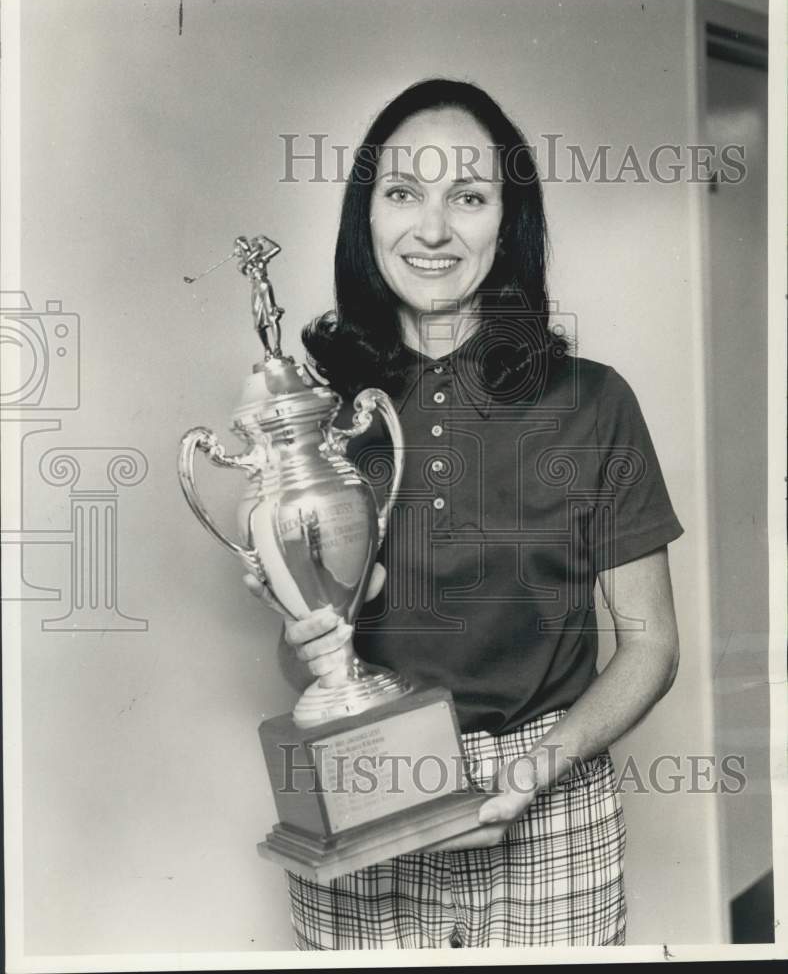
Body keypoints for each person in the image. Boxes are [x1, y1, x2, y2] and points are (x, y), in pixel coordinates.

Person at [245, 78, 683, 949]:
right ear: (365, 218)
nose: (434, 229)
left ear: (509, 221)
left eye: (469, 197)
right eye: (403, 192)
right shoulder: (318, 419)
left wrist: (535, 770)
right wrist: (307, 651)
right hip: (365, 789)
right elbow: (318, 668)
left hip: (553, 801)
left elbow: (652, 646)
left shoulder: (595, 402)